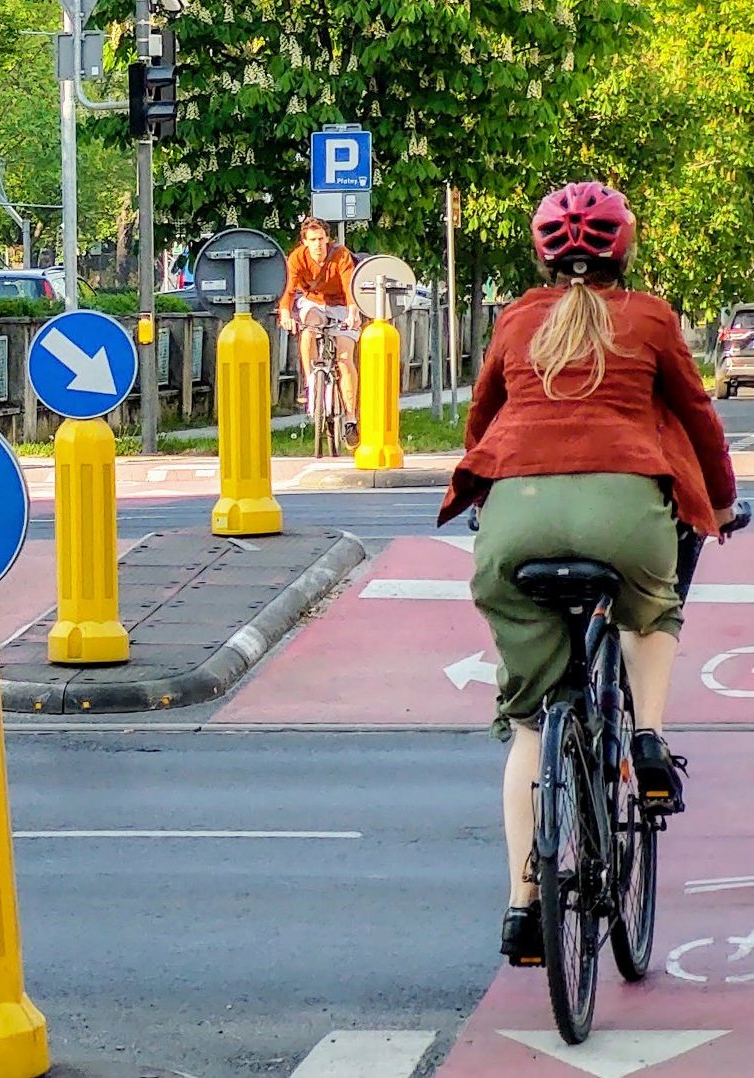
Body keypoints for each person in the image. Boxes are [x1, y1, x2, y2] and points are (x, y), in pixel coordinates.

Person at [433, 182, 738, 967]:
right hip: (625, 510)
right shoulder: (650, 317)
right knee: (650, 612)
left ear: (542, 253)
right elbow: (699, 414)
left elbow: (482, 419)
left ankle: (521, 910)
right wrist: (723, 501)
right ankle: (645, 740)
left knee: (533, 726)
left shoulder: (516, 319)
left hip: (517, 516)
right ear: (623, 250)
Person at [276, 217, 363, 444]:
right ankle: (312, 383)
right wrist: (285, 314)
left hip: (343, 306)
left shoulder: (341, 255)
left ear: (328, 239)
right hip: (314, 302)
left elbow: (349, 286)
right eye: (312, 240)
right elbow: (288, 288)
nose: (318, 245)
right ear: (304, 241)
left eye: (321, 239)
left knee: (344, 359)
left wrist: (353, 311)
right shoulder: (297, 258)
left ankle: (351, 419)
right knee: (308, 330)